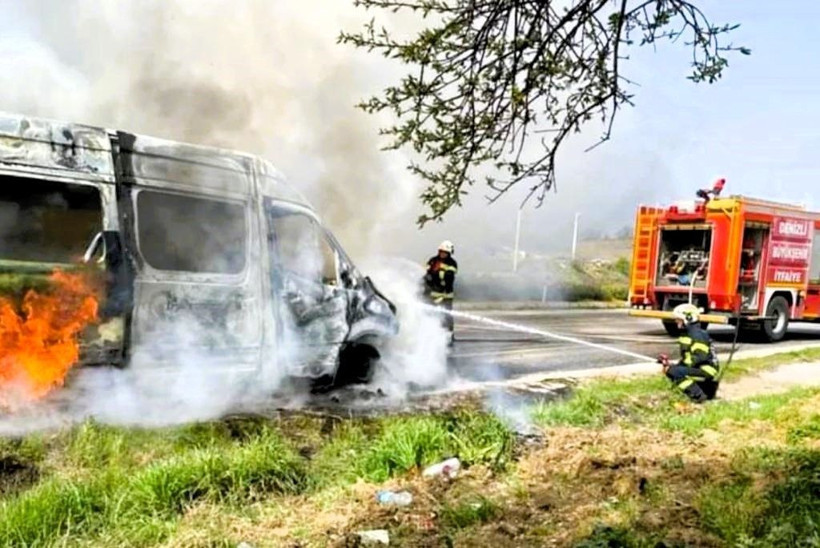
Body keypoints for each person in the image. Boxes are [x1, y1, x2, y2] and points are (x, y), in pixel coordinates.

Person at [658, 303, 720, 403]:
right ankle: (691, 393)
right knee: (672, 370)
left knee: (673, 371)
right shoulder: (686, 334)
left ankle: (698, 396)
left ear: (688, 318)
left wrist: (678, 368)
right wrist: (675, 365)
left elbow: (700, 357)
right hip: (699, 367)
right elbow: (687, 357)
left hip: (707, 369)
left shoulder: (697, 335)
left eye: (679, 319)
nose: (676, 321)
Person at [423, 240, 458, 342]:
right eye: (441, 252)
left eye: (445, 252)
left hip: (446, 295)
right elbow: (426, 272)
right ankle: (431, 334)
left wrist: (435, 275)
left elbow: (449, 277)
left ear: (449, 253)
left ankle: (449, 334)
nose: (443, 254)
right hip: (432, 294)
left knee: (446, 316)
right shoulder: (432, 260)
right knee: (429, 314)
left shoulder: (452, 263)